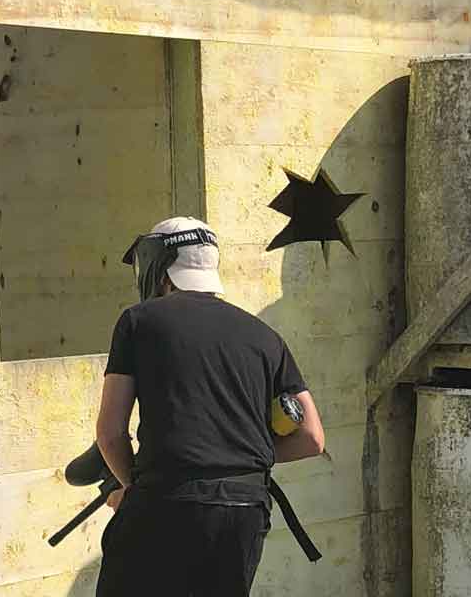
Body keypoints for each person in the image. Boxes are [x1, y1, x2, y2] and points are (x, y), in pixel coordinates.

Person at [93, 216, 325, 596]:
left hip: (166, 503)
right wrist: (238, 457)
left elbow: (110, 433)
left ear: (158, 265)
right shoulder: (265, 336)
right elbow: (312, 438)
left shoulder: (139, 321)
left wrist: (135, 490)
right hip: (245, 511)